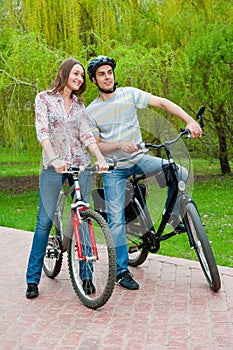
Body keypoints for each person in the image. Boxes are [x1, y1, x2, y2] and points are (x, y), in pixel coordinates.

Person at [86, 55, 202, 290]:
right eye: (101, 74)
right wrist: (119, 145)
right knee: (116, 220)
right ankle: (120, 271)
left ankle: (173, 217)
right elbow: (97, 146)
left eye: (109, 72)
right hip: (114, 169)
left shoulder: (129, 93)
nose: (107, 77)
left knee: (179, 172)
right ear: (94, 80)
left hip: (139, 159)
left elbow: (162, 104)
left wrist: (190, 120)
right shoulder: (91, 111)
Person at [26, 58, 109, 299]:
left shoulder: (78, 105)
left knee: (83, 219)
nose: (80, 78)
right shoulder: (44, 98)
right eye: (76, 73)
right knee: (43, 221)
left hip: (79, 167)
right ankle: (32, 279)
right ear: (64, 73)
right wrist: (53, 159)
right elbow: (42, 132)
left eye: (82, 76)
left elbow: (86, 135)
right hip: (53, 168)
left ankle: (86, 276)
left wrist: (99, 158)